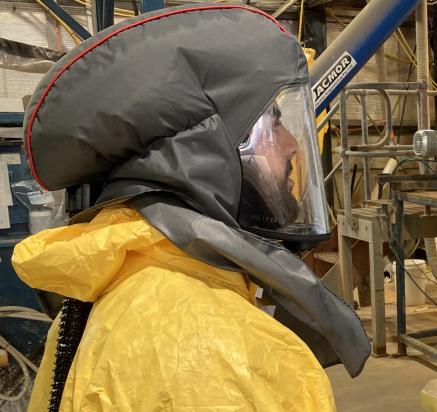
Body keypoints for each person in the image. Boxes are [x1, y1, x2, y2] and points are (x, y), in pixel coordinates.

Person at [12, 4, 370, 410]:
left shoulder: (131, 281)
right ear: (202, 152)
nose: (290, 144)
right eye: (272, 122)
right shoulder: (206, 348)